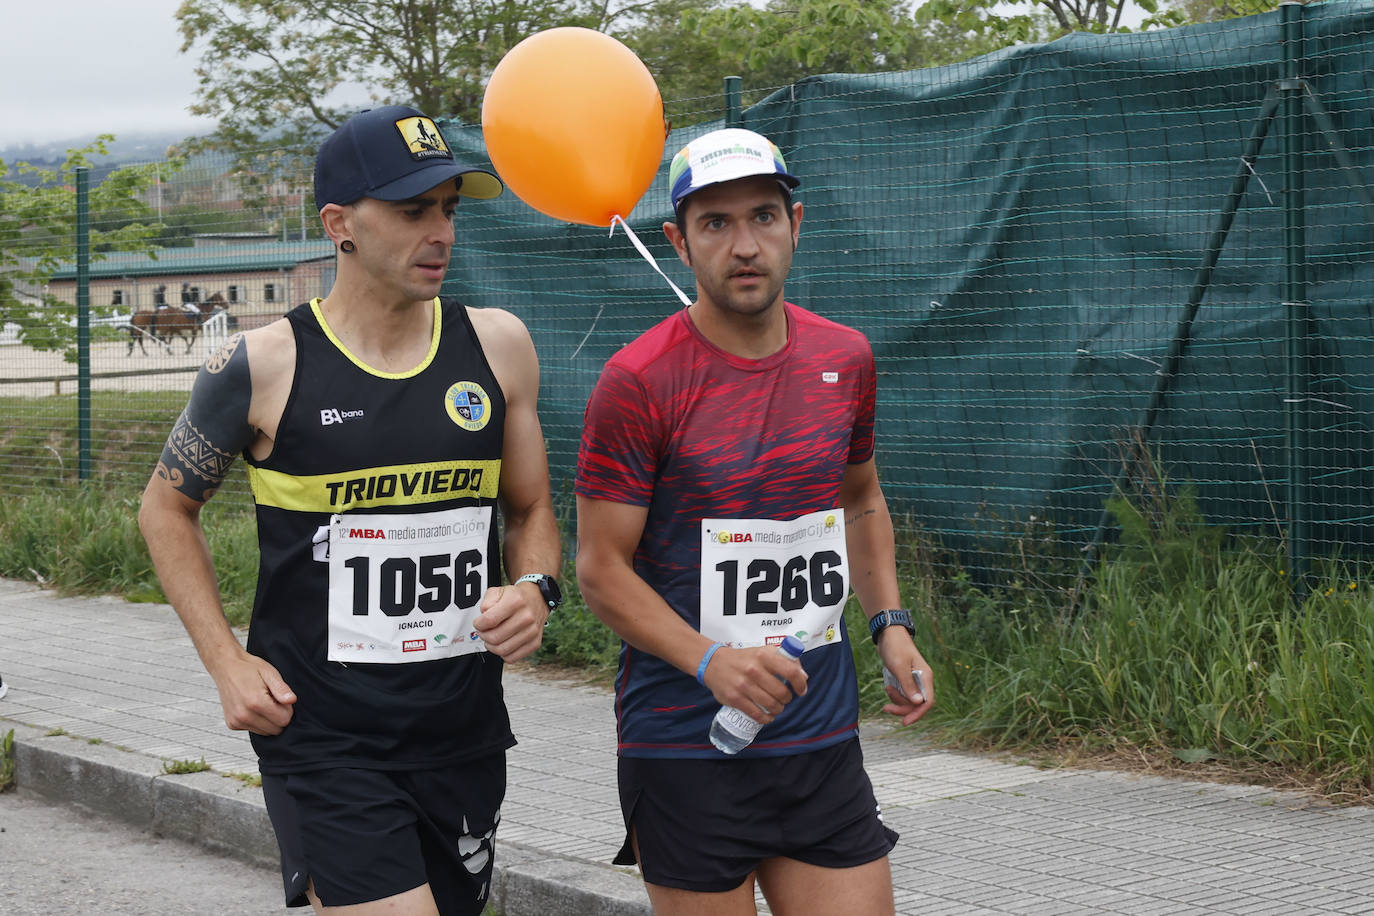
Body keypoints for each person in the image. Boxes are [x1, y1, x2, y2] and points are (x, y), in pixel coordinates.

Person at [139, 104, 562, 916]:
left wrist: (535, 589)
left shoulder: (499, 344)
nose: (439, 231)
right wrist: (227, 661)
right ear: (340, 224)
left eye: (448, 209)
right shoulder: (260, 364)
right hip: (323, 738)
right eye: (412, 211)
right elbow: (164, 511)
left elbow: (532, 506)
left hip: (463, 731)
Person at [575, 128, 934, 915]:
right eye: (716, 224)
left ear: (795, 225)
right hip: (684, 746)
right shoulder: (637, 382)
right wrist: (711, 661)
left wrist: (891, 624)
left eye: (763, 217)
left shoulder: (845, 359)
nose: (745, 245)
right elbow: (601, 569)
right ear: (678, 241)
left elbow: (862, 497)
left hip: (821, 740)